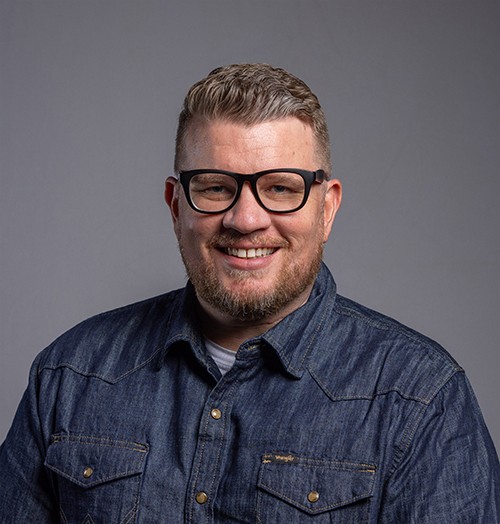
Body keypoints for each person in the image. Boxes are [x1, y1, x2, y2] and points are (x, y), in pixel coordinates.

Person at [0, 63, 498, 523]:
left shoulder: (421, 399)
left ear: (326, 209)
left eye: (281, 188)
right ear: (176, 205)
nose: (245, 219)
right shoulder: (69, 375)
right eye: (216, 187)